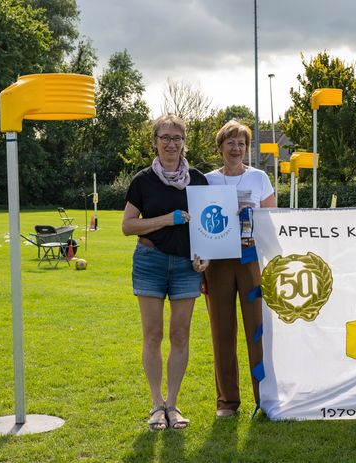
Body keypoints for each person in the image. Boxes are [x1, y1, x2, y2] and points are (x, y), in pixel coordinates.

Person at [122, 115, 209, 431]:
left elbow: (208, 225)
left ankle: (173, 404)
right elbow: (128, 226)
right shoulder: (142, 180)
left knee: (180, 334)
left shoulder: (198, 180)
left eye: (177, 137)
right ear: (155, 141)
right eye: (165, 137)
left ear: (184, 142)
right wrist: (166, 219)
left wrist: (207, 258)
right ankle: (156, 404)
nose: (171, 143)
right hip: (151, 262)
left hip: (187, 266)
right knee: (153, 335)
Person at [204, 120, 277, 417]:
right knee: (222, 333)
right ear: (221, 146)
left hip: (252, 261)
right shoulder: (206, 180)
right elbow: (199, 222)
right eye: (231, 142)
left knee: (258, 331)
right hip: (217, 262)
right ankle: (227, 402)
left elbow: (272, 220)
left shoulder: (260, 178)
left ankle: (265, 398)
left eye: (242, 144)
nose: (236, 148)